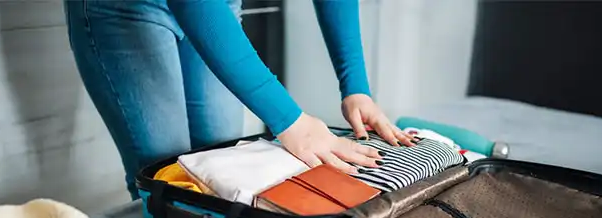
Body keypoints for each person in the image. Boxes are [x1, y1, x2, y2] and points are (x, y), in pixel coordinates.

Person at [64, 0, 417, 199]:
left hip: (218, 7)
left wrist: (355, 86)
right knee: (165, 178)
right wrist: (292, 122)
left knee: (223, 166)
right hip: (125, 8)